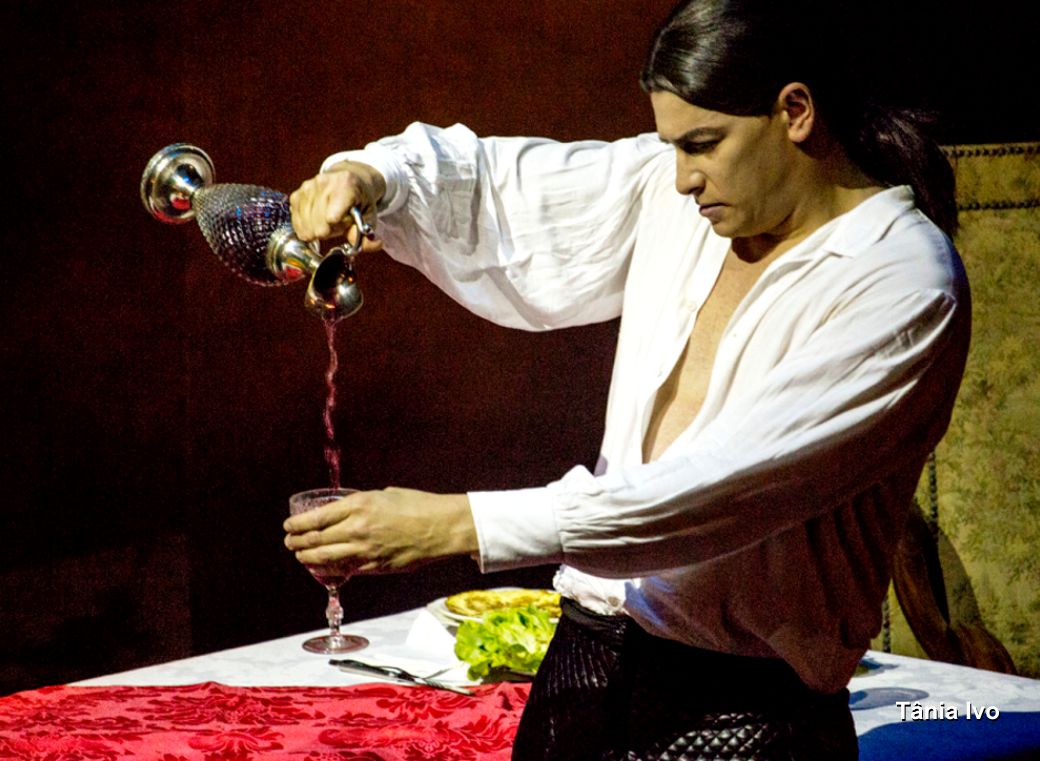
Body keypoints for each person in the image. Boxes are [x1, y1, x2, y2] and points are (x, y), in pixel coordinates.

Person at [284, 0, 970, 758]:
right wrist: (373, 177)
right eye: (670, 145)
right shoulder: (689, 202)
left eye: (702, 144)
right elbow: (505, 190)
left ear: (796, 111)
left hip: (741, 714)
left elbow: (715, 491)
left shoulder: (900, 280)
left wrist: (456, 524)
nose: (680, 178)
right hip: (582, 667)